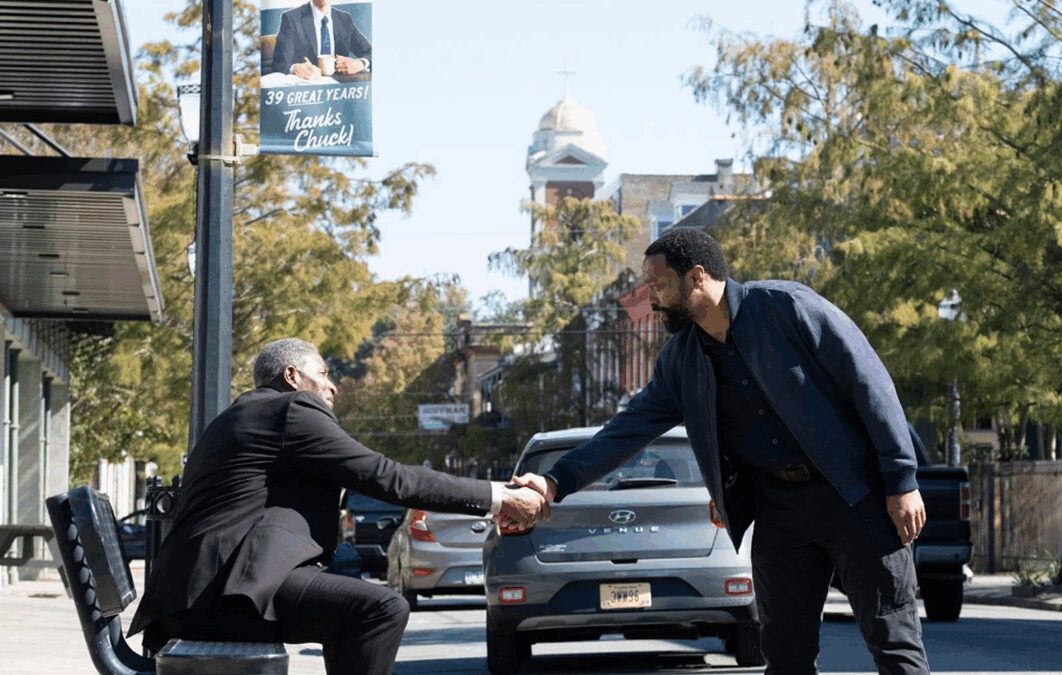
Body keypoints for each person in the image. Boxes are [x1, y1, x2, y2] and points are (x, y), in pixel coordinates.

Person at [510, 227, 931, 674]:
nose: (650, 299)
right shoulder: (680, 360)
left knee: (893, 641)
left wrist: (902, 480)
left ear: (696, 277)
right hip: (780, 513)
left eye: (658, 285)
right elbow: (626, 430)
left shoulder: (788, 307)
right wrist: (554, 482)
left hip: (854, 496)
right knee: (785, 656)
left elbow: (869, 383)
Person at [128, 338, 546, 675]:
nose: (333, 387)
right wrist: (499, 497)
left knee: (351, 582)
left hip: (195, 595)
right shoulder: (292, 408)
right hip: (220, 597)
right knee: (380, 608)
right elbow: (388, 476)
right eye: (324, 374)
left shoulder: (248, 414)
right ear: (292, 376)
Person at [270, 0, 372, 80]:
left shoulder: (345, 19)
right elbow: (279, 63)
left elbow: (371, 53)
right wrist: (295, 68)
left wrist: (361, 63)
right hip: (307, 90)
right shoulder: (291, 18)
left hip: (341, 90)